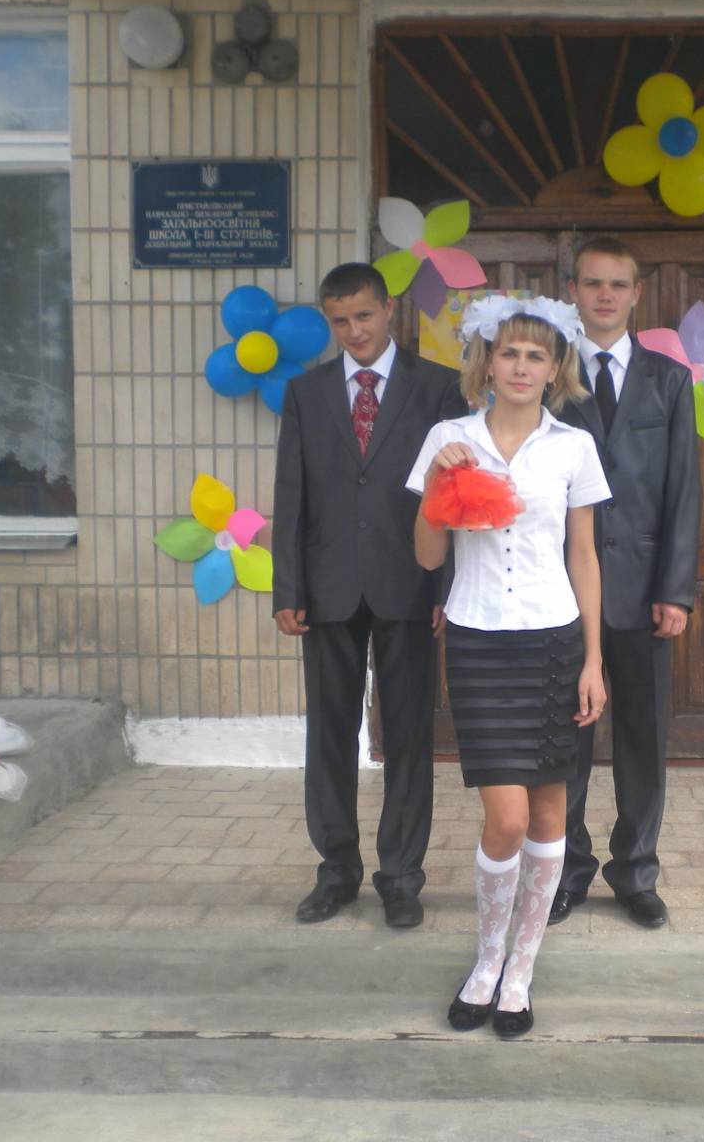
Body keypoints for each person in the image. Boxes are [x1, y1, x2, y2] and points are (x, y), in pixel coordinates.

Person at [407, 295, 609, 1036]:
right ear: (487, 362)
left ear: (555, 369)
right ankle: (486, 957)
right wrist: (438, 485)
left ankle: (520, 972)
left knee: (550, 814)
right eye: (509, 352)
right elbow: (427, 555)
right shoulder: (448, 438)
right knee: (507, 817)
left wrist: (594, 659)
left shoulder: (573, 446)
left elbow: (583, 556)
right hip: (479, 639)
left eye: (536, 355)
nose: (521, 366)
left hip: (555, 642)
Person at [271, 262, 465, 929]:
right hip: (327, 586)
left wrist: (445, 585)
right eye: (339, 321)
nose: (354, 331)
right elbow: (291, 492)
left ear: (388, 311)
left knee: (408, 734)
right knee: (329, 734)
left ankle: (401, 876)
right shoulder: (306, 392)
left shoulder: (438, 387)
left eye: (363, 316)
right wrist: (288, 587)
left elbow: (452, 496)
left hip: (410, 582)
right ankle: (336, 871)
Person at [552, 236, 701, 931]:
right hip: (562, 590)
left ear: (637, 294)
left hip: (644, 592)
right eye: (592, 283)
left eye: (617, 284)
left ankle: (636, 872)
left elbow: (683, 491)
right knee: (567, 741)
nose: (605, 295)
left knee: (642, 739)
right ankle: (566, 871)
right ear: (573, 292)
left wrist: (676, 589)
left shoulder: (668, 381)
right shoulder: (550, 373)